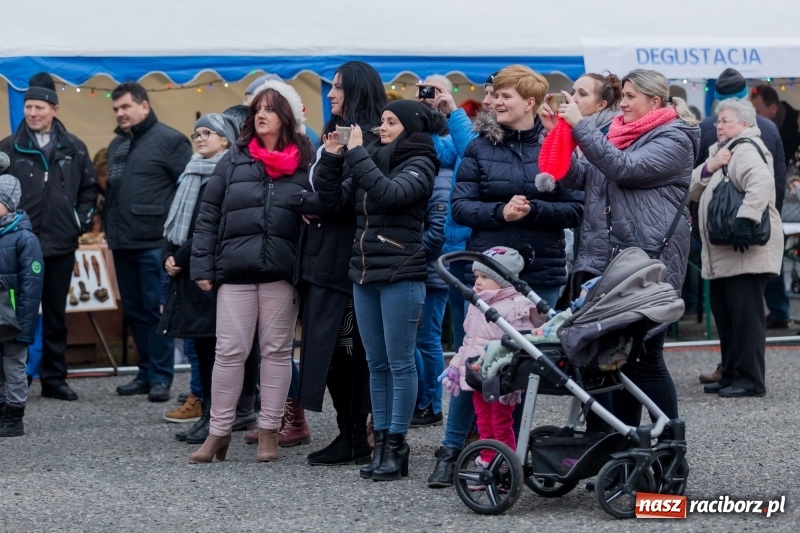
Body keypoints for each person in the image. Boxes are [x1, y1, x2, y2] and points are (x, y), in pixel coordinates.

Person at [550, 68, 699, 426]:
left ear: (655, 101)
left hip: (648, 261)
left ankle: (670, 445)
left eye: (631, 97)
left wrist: (582, 129)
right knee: (611, 358)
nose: (624, 103)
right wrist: (554, 131)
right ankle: (623, 448)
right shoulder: (617, 133)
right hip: (611, 258)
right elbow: (578, 177)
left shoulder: (675, 137)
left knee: (645, 356)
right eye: (624, 95)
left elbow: (625, 169)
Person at [316, 99, 443, 481]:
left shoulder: (421, 162)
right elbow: (334, 199)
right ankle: (382, 443)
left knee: (400, 362)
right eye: (382, 120)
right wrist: (333, 158)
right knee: (376, 363)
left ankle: (396, 445)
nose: (381, 127)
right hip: (365, 273)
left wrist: (356, 153)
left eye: (390, 122)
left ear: (410, 126)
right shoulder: (369, 157)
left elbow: (389, 193)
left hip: (402, 273)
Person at [189, 80, 313, 463]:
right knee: (229, 353)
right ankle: (218, 434)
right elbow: (207, 214)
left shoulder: (307, 160)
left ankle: (270, 434)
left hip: (280, 270)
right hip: (236, 270)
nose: (261, 114)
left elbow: (322, 209)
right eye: (258, 108)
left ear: (287, 117)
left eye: (271, 109)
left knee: (276, 353)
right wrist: (202, 263)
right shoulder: (234, 160)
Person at [289, 61, 385, 466]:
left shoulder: (370, 137)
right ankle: (351, 434)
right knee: (332, 355)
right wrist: (305, 201)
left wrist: (305, 203)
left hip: (344, 264)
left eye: (339, 88)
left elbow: (339, 200)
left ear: (358, 90)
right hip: (322, 262)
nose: (331, 93)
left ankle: (354, 435)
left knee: (347, 355)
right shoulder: (336, 133)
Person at [0, 72, 98, 402]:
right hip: (15, 245)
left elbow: (89, 190)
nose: (32, 113)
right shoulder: (8, 148)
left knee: (55, 313)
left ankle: (54, 377)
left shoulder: (74, 148)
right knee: (13, 314)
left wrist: (78, 222)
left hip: (59, 244)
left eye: (39, 107)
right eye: (28, 107)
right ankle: (15, 378)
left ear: (54, 109)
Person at [452, 64, 584, 307]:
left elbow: (576, 210)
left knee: (535, 344)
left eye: (505, 96)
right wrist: (501, 212)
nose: (496, 102)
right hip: (490, 272)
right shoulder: (478, 147)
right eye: (496, 95)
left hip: (541, 271)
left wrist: (534, 210)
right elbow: (460, 207)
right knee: (483, 343)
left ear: (529, 102)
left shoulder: (554, 144)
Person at [695, 70, 787, 383]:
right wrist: (711, 165)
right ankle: (733, 374)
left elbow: (762, 183)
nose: (719, 126)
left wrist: (747, 219)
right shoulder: (723, 149)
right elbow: (691, 188)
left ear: (744, 123)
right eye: (719, 121)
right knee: (729, 315)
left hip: (744, 245)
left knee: (745, 318)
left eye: (726, 121)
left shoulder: (745, 147)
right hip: (726, 247)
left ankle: (748, 379)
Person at [105, 82, 192, 402]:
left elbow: (188, 192)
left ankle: (160, 376)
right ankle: (144, 373)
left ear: (144, 105)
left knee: (156, 312)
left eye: (125, 107)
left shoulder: (170, 140)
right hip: (123, 241)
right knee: (134, 311)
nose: (120, 113)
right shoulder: (118, 144)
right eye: (116, 109)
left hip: (154, 240)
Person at [158, 114, 238, 440]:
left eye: (209, 132)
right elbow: (176, 220)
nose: (201, 138)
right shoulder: (190, 172)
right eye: (197, 133)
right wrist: (169, 252)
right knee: (200, 345)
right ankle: (208, 413)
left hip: (209, 270)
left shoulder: (227, 173)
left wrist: (181, 256)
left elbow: (212, 225)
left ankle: (216, 418)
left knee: (212, 346)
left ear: (226, 139)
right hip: (186, 269)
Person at [439, 247, 541, 469]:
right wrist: (456, 367)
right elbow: (469, 343)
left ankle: (506, 467)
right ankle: (487, 462)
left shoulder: (517, 306)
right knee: (484, 423)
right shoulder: (478, 304)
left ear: (504, 279)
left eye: (485, 277)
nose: (478, 282)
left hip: (503, 379)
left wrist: (514, 381)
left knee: (502, 423)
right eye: (476, 276)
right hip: (478, 377)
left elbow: (521, 344)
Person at [0, 172, 45, 437]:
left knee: (14, 365)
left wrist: (25, 325)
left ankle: (14, 415)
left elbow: (32, 286)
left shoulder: (24, 239)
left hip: (14, 318)